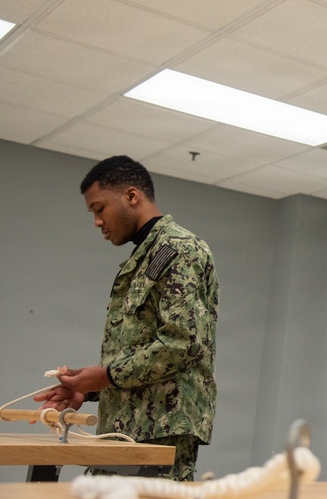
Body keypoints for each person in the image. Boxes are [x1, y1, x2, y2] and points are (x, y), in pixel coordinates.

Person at [35, 156, 218, 481]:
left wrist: (105, 376)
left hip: (159, 432)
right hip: (125, 426)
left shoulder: (180, 250)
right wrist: (88, 390)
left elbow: (182, 345)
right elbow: (141, 352)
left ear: (132, 196)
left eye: (99, 208)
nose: (96, 221)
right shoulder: (146, 256)